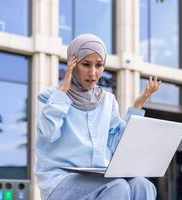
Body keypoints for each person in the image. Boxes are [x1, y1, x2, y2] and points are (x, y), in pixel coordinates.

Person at [34, 34, 161, 200]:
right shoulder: (50, 97)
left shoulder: (107, 100)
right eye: (86, 64)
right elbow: (47, 133)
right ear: (73, 64)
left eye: (99, 65)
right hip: (60, 179)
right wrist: (62, 93)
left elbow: (116, 144)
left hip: (100, 176)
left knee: (143, 185)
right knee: (117, 187)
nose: (93, 73)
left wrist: (137, 106)